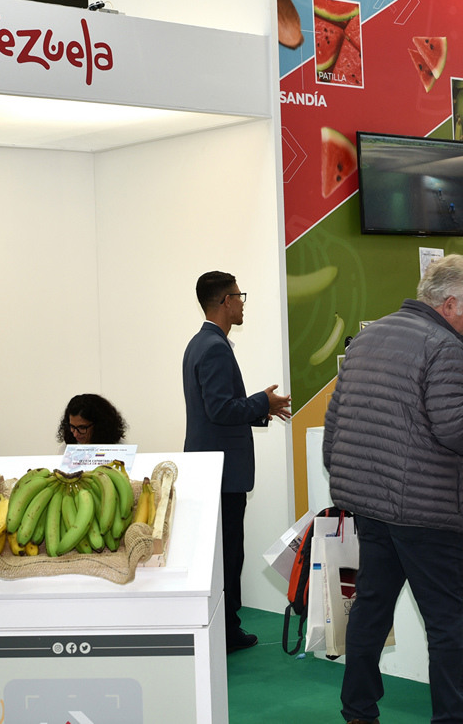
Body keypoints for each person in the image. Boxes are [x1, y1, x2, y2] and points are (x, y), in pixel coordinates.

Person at [323, 255, 463, 724]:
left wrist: (349, 478)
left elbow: (335, 420)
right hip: (426, 510)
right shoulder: (444, 346)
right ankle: (452, 718)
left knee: (371, 608)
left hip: (371, 503)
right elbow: (455, 431)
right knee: (447, 622)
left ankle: (358, 710)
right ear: (449, 304)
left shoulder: (370, 336)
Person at [182, 270, 291, 654]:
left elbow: (217, 408)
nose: (243, 303)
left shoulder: (200, 343)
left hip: (210, 468)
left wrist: (262, 408)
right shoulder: (214, 347)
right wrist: (262, 401)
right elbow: (220, 409)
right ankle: (226, 630)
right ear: (226, 301)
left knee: (221, 553)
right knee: (228, 553)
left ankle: (224, 626)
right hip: (222, 472)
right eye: (239, 296)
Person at [55, 393, 128, 445]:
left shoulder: (119, 447)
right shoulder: (67, 448)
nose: (75, 434)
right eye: (72, 427)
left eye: (82, 428)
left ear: (99, 425)